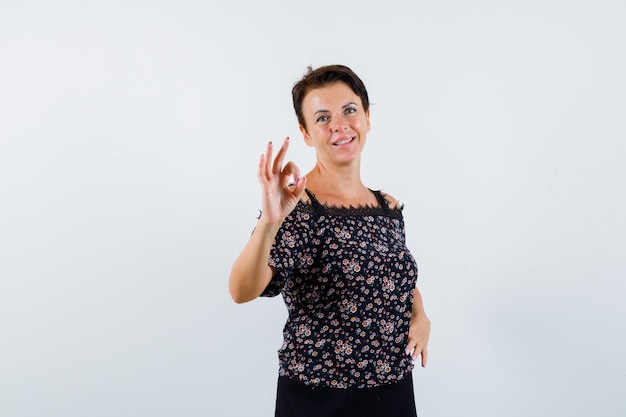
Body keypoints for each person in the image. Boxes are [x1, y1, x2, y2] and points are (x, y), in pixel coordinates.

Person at [229, 64, 431, 417]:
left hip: (394, 391)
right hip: (320, 399)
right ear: (306, 134)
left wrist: (421, 315)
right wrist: (269, 222)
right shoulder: (299, 204)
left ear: (367, 118)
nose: (339, 124)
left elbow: (395, 278)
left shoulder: (388, 206)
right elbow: (241, 290)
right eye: (323, 118)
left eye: (349, 110)